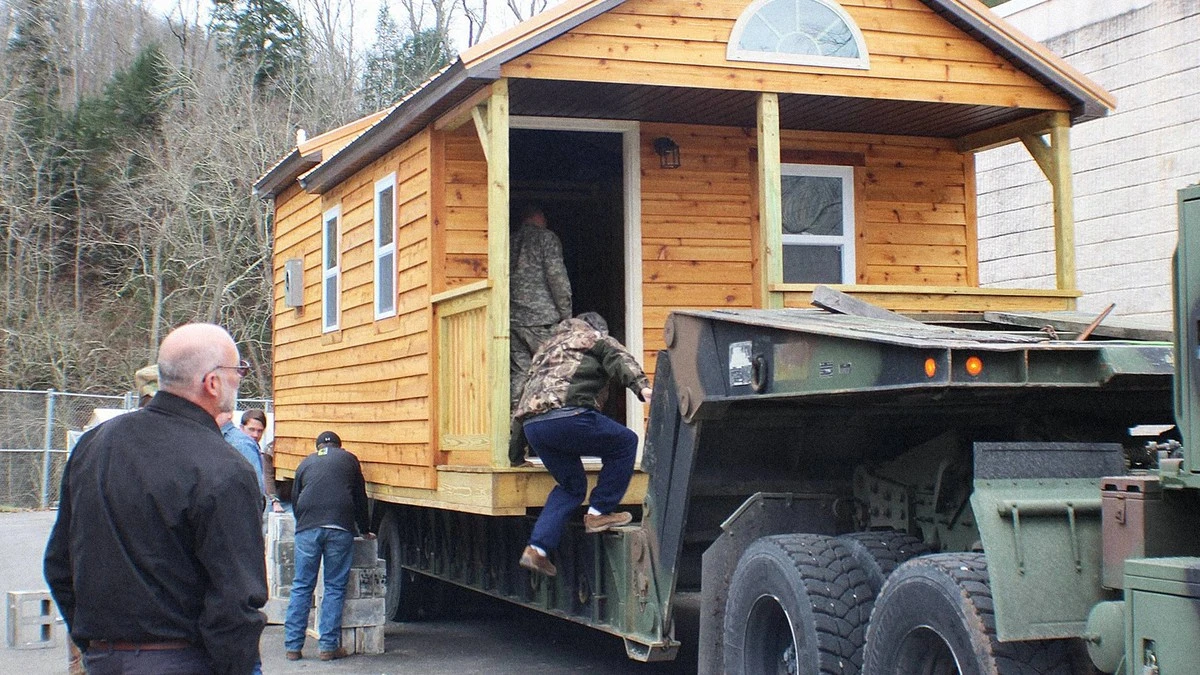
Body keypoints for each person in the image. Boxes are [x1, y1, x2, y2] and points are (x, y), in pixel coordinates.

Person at [44, 323, 267, 675]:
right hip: (183, 659)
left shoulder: (94, 444)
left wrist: (96, 645)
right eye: (238, 370)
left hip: (103, 658)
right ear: (212, 382)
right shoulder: (224, 467)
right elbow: (236, 599)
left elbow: (60, 564)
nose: (241, 379)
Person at [513, 312, 652, 577]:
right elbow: (618, 357)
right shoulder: (593, 337)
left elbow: (522, 399)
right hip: (569, 418)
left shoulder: (544, 352)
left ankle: (537, 550)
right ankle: (599, 512)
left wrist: (515, 452)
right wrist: (640, 387)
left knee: (571, 487)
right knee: (625, 442)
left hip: (535, 428)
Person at [284, 430, 373, 662]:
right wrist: (364, 528)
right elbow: (360, 497)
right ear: (338, 446)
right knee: (334, 586)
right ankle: (327, 647)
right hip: (339, 527)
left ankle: (293, 647)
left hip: (307, 528)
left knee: (302, 585)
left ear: (318, 447)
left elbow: (296, 499)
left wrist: (302, 524)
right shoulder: (349, 459)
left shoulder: (305, 463)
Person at [510, 204, 573, 414]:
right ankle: (550, 424)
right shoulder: (546, 238)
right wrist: (566, 316)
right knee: (551, 373)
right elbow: (557, 278)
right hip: (542, 320)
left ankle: (514, 428)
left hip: (513, 321)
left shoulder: (509, 241)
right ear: (539, 217)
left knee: (520, 374)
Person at [219, 410, 265, 495]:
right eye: (251, 429)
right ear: (241, 427)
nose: (256, 435)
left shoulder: (246, 445)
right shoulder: (243, 445)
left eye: (260, 431)